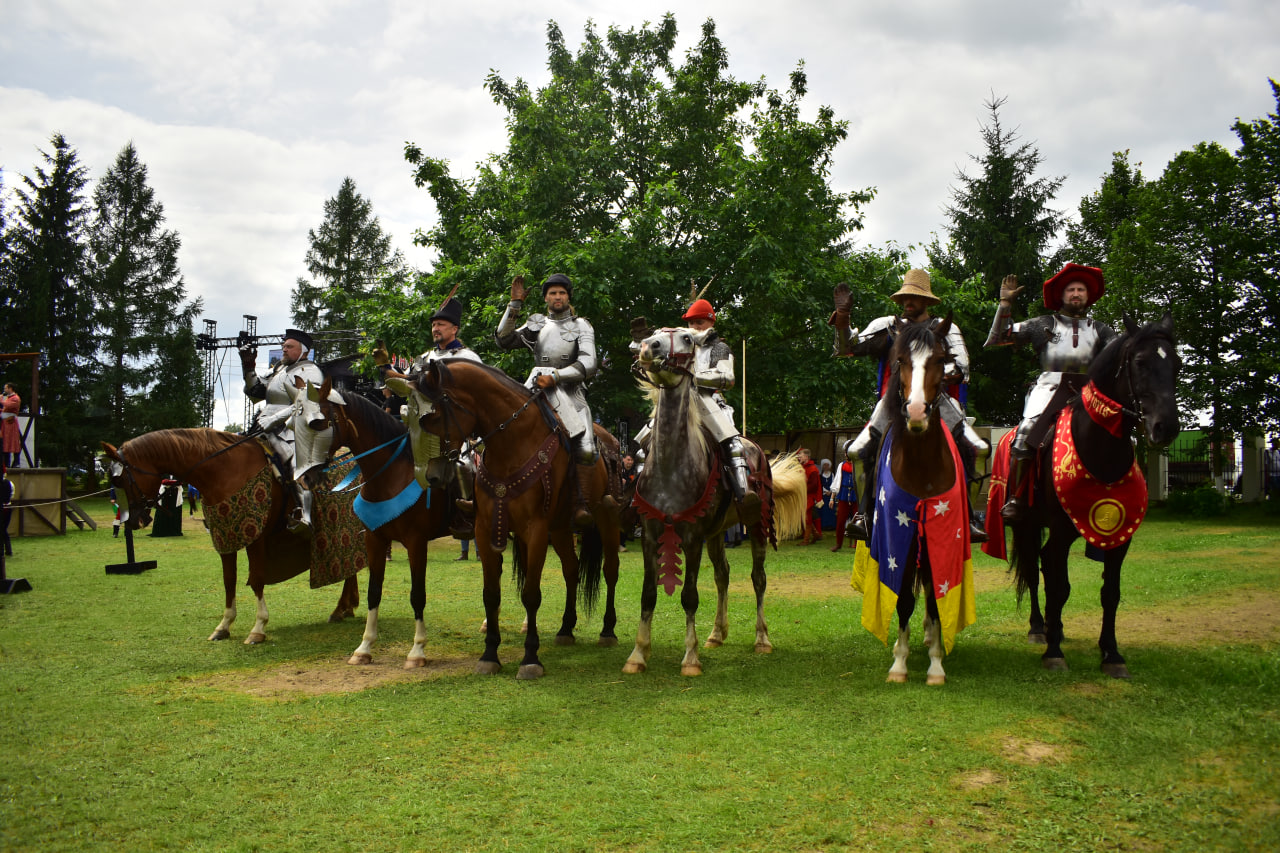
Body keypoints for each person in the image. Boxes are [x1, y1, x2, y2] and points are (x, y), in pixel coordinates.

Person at [830, 269, 988, 542]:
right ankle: (865, 515)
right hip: (892, 401)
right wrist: (843, 322)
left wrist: (928, 371)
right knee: (857, 450)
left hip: (937, 399)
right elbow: (848, 348)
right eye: (905, 297)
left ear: (926, 300)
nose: (908, 302)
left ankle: (970, 516)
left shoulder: (944, 328)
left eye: (914, 297)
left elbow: (962, 366)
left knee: (978, 448)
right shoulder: (888, 326)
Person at [985, 263, 1117, 522]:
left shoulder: (1102, 329)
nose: (1076, 294)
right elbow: (999, 338)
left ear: (1088, 295)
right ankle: (1017, 499)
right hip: (1050, 386)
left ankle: (1113, 494)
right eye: (1071, 290)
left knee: (1118, 432)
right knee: (1025, 432)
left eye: (1081, 289)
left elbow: (1119, 356)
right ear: (1062, 295)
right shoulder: (1044, 324)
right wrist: (1004, 305)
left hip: (1090, 390)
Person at [630, 297, 762, 522]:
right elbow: (650, 360)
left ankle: (743, 496)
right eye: (691, 323)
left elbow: (726, 378)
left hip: (708, 404)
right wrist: (640, 342)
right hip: (675, 404)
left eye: (700, 322)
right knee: (644, 447)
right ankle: (635, 500)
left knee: (733, 445)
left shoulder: (719, 347)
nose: (695, 327)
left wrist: (691, 376)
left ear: (711, 323)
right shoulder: (679, 343)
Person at [495, 273, 601, 527]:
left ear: (568, 297)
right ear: (545, 298)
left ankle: (581, 503)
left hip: (569, 393)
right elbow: (503, 340)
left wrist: (557, 375)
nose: (557, 297)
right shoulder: (537, 325)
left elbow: (589, 363)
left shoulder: (582, 325)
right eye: (552, 293)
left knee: (586, 450)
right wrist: (514, 305)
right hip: (534, 389)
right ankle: (501, 499)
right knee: (504, 433)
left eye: (562, 293)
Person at [381, 296, 484, 539]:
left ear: (454, 328)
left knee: (463, 466)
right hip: (418, 430)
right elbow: (403, 387)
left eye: (441, 324)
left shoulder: (468, 358)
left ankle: (465, 515)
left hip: (453, 431)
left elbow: (479, 395)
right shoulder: (423, 358)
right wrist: (383, 367)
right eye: (434, 325)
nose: (435, 329)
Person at [240, 328, 325, 535]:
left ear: (302, 350)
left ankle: (305, 517)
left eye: (289, 346)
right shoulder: (279, 369)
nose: (284, 349)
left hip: (292, 428)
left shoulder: (311, 371)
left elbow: (305, 401)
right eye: (283, 346)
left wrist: (273, 420)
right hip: (262, 424)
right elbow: (255, 391)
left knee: (297, 465)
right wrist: (248, 365)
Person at [827, 456, 858, 551]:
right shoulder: (841, 465)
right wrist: (832, 498)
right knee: (840, 521)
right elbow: (837, 481)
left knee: (858, 521)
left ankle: (858, 545)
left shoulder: (858, 464)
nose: (845, 455)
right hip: (844, 494)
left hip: (855, 495)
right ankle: (838, 544)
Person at [799, 448, 823, 544]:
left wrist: (802, 489)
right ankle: (816, 534)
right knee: (805, 517)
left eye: (801, 455)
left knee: (807, 517)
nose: (799, 457)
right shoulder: (802, 467)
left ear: (806, 457)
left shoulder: (813, 469)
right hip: (803, 495)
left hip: (809, 496)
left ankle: (806, 540)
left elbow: (814, 485)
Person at [619, 453, 637, 551]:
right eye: (628, 460)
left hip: (630, 500)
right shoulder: (618, 470)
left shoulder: (634, 472)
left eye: (631, 460)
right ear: (623, 460)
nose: (629, 462)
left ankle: (623, 542)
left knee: (627, 520)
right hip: (618, 499)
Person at [1, 383, 21, 469]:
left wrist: (1, 400)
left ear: (10, 388)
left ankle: (16, 462)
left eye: (5, 388)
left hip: (11, 422)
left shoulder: (15, 398)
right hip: (5, 423)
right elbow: (5, 408)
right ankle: (7, 463)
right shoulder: (8, 398)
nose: (4, 390)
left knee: (14, 442)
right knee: (5, 443)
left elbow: (8, 405)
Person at [818, 458, 838, 534]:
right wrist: (825, 491)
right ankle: (824, 525)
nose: (826, 466)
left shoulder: (832, 474)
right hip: (824, 495)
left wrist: (830, 491)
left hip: (830, 495)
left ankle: (831, 525)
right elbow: (820, 484)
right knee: (824, 510)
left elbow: (833, 483)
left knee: (831, 510)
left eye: (827, 465)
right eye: (824, 465)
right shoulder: (820, 475)